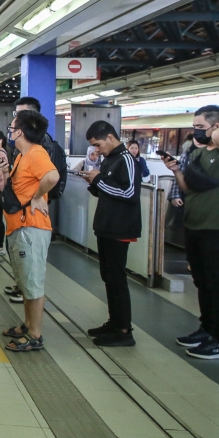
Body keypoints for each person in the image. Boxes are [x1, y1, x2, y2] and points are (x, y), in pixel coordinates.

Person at [164, 105, 219, 360]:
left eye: (200, 127)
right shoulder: (199, 154)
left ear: (216, 126)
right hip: (195, 225)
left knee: (218, 284)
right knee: (202, 282)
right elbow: (189, 188)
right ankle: (207, 329)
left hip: (218, 226)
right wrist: (176, 170)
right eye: (195, 126)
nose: (195, 131)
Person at [0, 110, 60, 351]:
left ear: (20, 132)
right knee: (25, 282)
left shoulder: (36, 153)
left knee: (32, 284)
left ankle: (35, 335)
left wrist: (36, 198)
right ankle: (27, 324)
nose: (10, 131)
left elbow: (52, 176)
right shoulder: (20, 155)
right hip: (19, 227)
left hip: (32, 228)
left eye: (12, 127)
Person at [80, 121, 142, 347]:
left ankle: (124, 329)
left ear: (110, 137)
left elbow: (129, 193)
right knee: (108, 276)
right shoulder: (109, 160)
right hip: (106, 227)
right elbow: (106, 189)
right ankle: (115, 322)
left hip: (119, 228)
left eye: (98, 144)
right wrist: (92, 182)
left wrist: (99, 180)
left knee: (117, 278)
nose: (97, 150)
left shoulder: (127, 159)